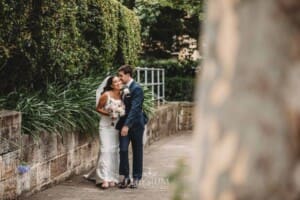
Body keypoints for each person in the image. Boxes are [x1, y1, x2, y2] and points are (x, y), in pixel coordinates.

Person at [84, 76, 125, 189]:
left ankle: (112, 177)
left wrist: (119, 113)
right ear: (111, 85)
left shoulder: (123, 95)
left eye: (119, 80)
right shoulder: (106, 95)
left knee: (114, 151)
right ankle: (103, 178)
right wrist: (110, 113)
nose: (118, 83)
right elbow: (98, 108)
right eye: (115, 82)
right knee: (105, 150)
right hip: (105, 126)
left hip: (116, 127)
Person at [116, 65, 147, 189]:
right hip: (124, 123)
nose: (119, 78)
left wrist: (127, 126)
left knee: (137, 151)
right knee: (123, 150)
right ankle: (125, 176)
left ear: (128, 75)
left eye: (121, 75)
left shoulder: (137, 88)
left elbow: (135, 109)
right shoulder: (123, 88)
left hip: (136, 125)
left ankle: (136, 178)